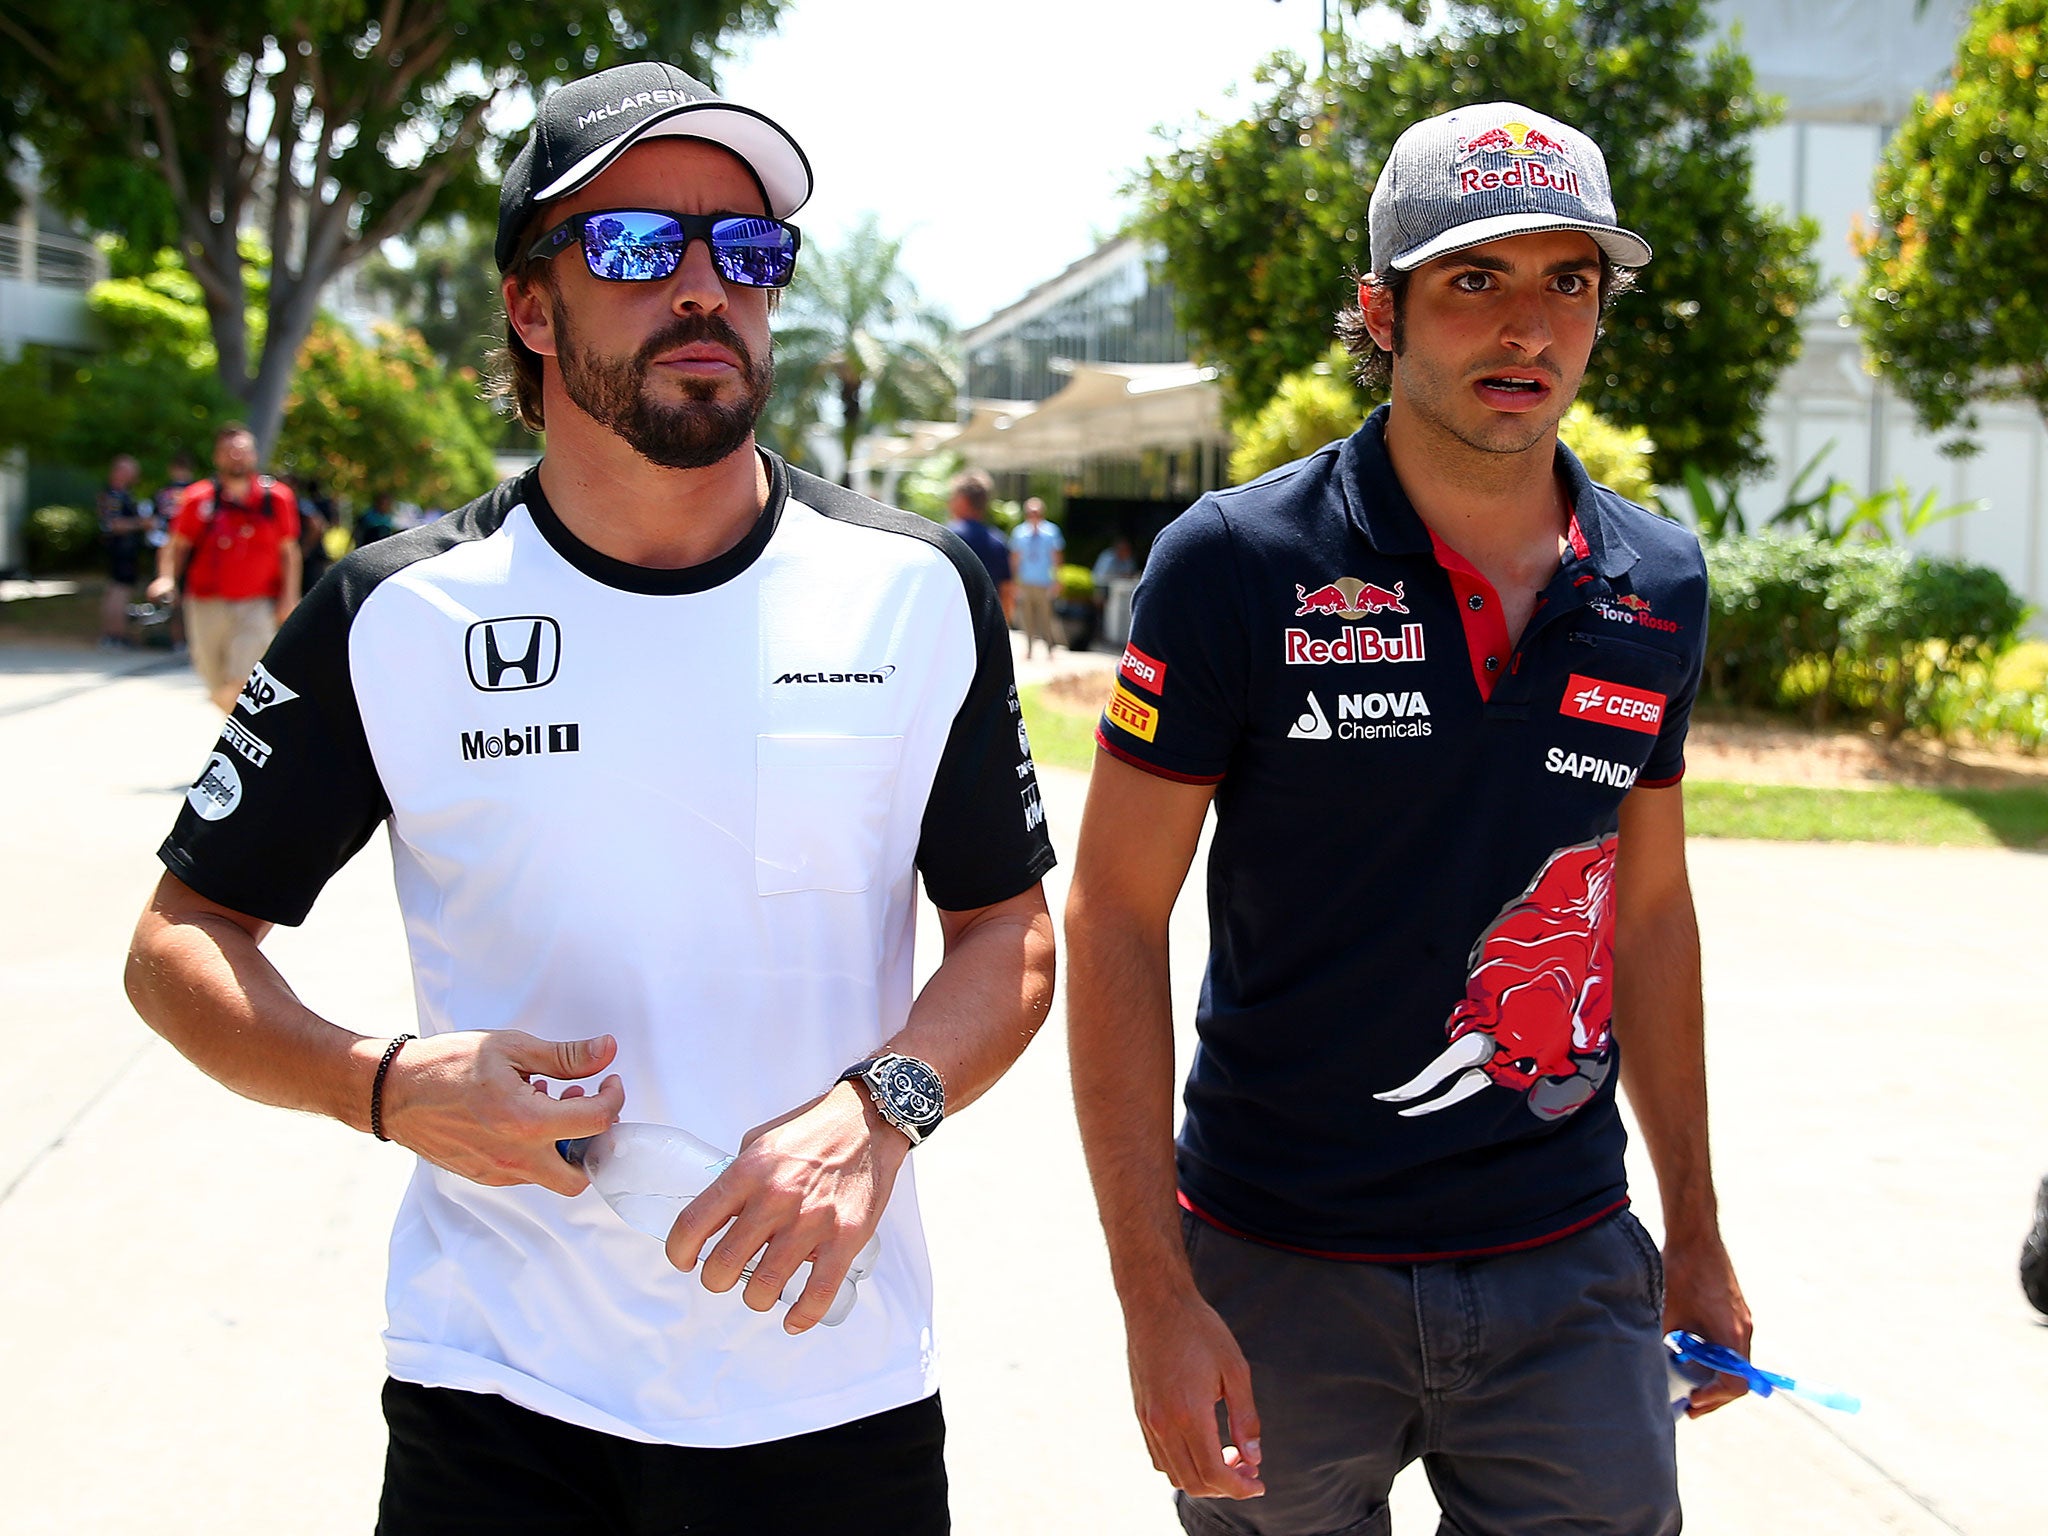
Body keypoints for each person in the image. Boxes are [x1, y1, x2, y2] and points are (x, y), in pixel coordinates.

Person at [125, 59, 1055, 1536]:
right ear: (530, 306)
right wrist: (381, 1086)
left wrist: (882, 1111)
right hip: (497, 1401)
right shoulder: (400, 613)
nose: (705, 288)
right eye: (636, 246)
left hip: (833, 1389)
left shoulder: (915, 590)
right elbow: (180, 945)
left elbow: (1010, 934)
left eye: (747, 252)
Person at [1065, 101, 1749, 1536]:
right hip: (1279, 1266)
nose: (1529, 329)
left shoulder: (1658, 583)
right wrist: (1154, 1297)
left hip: (1567, 1265)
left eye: (1570, 281)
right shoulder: (1240, 564)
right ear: (1382, 311)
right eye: (1475, 281)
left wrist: (1695, 1230)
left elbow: (1651, 913)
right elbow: (1116, 914)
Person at [147, 424, 302, 713]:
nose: (236, 457)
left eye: (242, 451)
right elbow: (175, 545)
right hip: (206, 602)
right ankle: (233, 725)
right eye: (229, 452)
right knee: (215, 683)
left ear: (254, 455)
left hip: (257, 603)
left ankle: (240, 741)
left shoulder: (277, 498)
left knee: (245, 679)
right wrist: (166, 578)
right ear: (217, 457)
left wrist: (289, 597)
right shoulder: (198, 498)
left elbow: (289, 552)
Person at [95, 454, 149, 648]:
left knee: (117, 590)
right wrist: (141, 524)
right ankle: (114, 634)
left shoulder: (122, 494)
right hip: (120, 549)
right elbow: (114, 524)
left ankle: (114, 633)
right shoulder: (113, 495)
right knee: (119, 591)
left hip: (123, 549)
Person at [947, 470, 1012, 624]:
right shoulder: (998, 542)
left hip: (953, 623)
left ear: (962, 500)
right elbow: (1007, 591)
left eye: (952, 497)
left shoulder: (946, 537)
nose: (949, 502)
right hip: (985, 625)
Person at [1011, 496, 1065, 659]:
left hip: (1044, 581)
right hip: (1026, 580)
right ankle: (1029, 648)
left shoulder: (1051, 532)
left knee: (1046, 617)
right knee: (1026, 617)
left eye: (1036, 513)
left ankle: (1050, 648)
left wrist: (1057, 579)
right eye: (1030, 513)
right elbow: (1015, 557)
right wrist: (1014, 580)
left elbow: (1056, 556)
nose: (1033, 516)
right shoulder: (1019, 532)